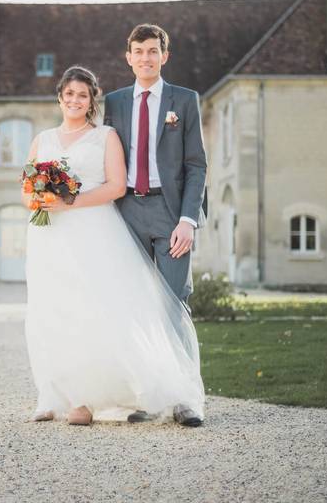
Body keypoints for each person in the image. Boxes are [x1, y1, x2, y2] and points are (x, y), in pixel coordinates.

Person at [24, 64, 204, 427]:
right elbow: (27, 187)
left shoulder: (105, 135)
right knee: (53, 309)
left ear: (92, 101)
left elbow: (116, 187)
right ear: (59, 96)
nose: (75, 100)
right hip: (49, 236)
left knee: (98, 309)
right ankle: (59, 394)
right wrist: (39, 200)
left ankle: (107, 397)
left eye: (83, 94)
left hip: (94, 230)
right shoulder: (42, 139)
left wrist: (68, 202)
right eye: (69, 93)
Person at [104, 23, 207, 425]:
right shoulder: (113, 103)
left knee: (174, 302)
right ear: (128, 57)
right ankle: (147, 395)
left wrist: (188, 220)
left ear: (165, 56)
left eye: (153, 51)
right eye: (138, 51)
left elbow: (196, 165)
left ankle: (186, 400)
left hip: (170, 213)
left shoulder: (184, 101)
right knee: (135, 304)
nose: (145, 57)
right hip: (126, 210)